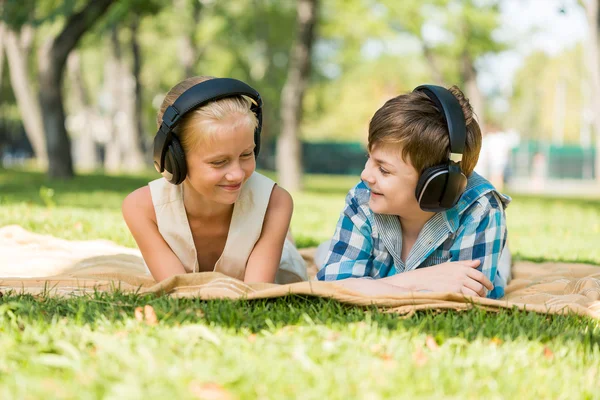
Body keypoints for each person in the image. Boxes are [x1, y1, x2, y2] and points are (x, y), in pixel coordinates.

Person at [316, 84, 510, 299]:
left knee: (502, 270)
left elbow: (469, 298)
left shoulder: (481, 209)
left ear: (439, 184)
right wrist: (419, 279)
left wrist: (369, 286)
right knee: (323, 254)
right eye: (368, 158)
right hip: (398, 272)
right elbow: (334, 287)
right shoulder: (363, 196)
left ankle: (504, 255)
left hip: (481, 239)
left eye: (383, 169)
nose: (365, 175)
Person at [122, 76, 308, 284]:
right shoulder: (141, 207)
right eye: (219, 162)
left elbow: (255, 291)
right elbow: (180, 290)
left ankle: (286, 239)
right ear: (174, 159)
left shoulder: (276, 202)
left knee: (295, 246)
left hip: (281, 257)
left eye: (246, 154)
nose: (237, 174)